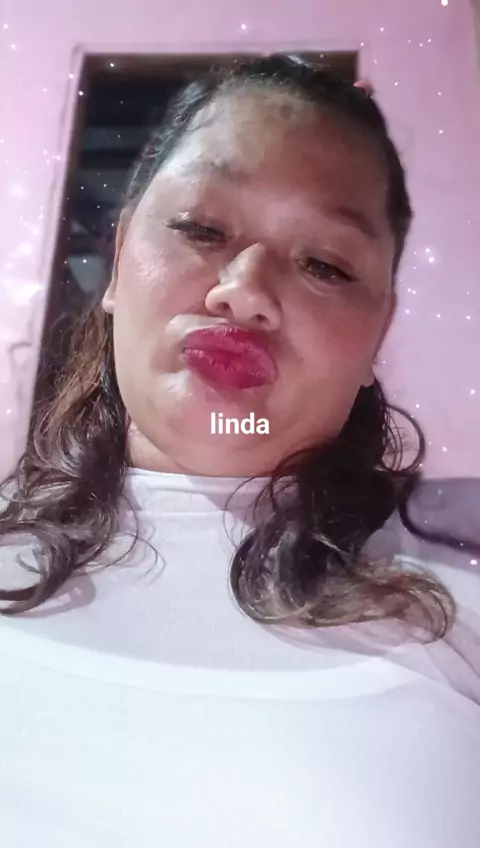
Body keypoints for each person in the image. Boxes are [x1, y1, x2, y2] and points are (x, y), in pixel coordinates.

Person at [0, 55, 479, 847]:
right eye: (201, 228)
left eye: (325, 265)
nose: (245, 290)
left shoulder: (457, 585)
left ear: (379, 334)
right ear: (118, 260)